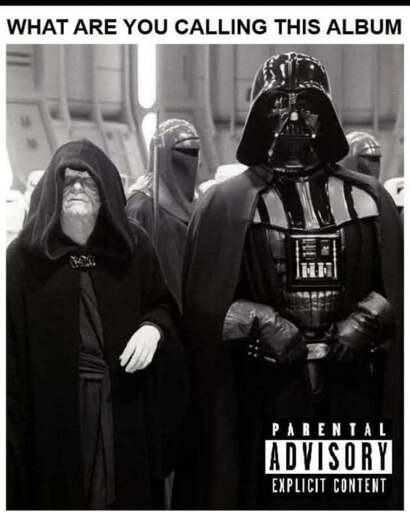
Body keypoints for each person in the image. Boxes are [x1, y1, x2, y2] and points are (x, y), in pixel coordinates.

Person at [176, 53, 403, 509]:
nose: (294, 117)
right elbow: (202, 307)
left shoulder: (370, 198)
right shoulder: (224, 204)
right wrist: (257, 320)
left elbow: (399, 284)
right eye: (280, 103)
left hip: (351, 387)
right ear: (259, 113)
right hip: (265, 391)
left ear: (328, 114)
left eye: (308, 104)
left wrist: (369, 317)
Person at [7, 139, 187, 510]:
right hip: (53, 415)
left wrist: (153, 328)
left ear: (105, 191)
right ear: (53, 189)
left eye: (88, 181)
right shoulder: (25, 257)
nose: (77, 188)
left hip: (123, 407)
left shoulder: (132, 247)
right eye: (68, 180)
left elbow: (163, 305)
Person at [126, 119, 200, 308]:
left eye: (195, 152)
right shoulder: (141, 207)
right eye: (184, 152)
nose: (191, 159)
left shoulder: (198, 203)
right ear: (161, 154)